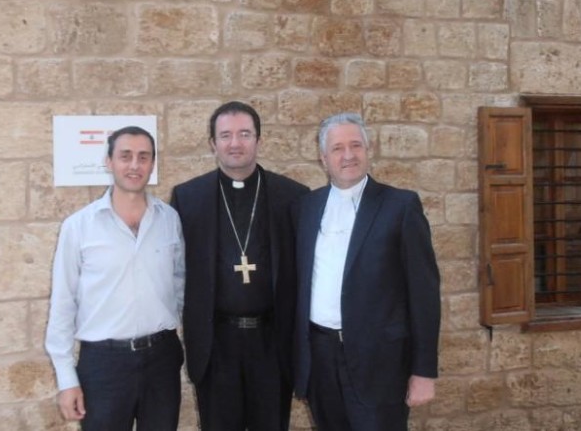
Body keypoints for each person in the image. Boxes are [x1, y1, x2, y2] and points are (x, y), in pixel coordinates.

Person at [293, 112, 441, 431]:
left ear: (368, 150)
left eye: (356, 145)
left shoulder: (400, 206)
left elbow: (424, 294)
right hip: (321, 360)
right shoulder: (306, 207)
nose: (348, 155)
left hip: (380, 365)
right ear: (323, 159)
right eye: (337, 148)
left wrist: (424, 371)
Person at [170, 101, 309, 431]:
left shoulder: (293, 196)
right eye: (226, 135)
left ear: (259, 140)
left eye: (245, 134)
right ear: (213, 143)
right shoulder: (188, 197)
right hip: (216, 343)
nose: (235, 143)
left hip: (272, 343)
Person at [45, 126, 185, 431]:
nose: (134, 165)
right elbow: (63, 304)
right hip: (103, 366)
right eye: (125, 156)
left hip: (162, 360)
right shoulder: (78, 227)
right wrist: (67, 379)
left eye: (143, 157)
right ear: (109, 162)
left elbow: (179, 284)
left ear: (152, 164)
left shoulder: (169, 220)